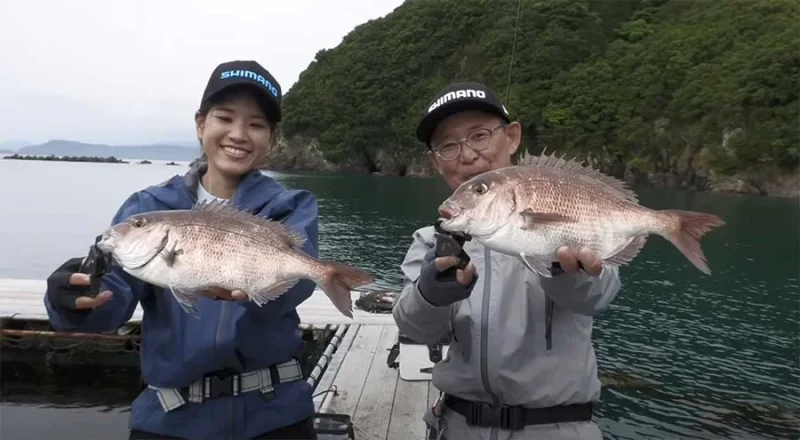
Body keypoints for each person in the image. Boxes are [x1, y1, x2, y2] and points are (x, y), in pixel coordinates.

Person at [44, 60, 320, 440]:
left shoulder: (291, 206)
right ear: (200, 123)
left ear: (271, 138)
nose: (238, 134)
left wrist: (258, 292)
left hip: (275, 417)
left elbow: (298, 287)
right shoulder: (147, 207)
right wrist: (73, 298)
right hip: (170, 422)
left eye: (256, 124)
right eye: (225, 117)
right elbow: (112, 300)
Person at [392, 81, 622, 440]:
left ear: (512, 137)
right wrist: (429, 295)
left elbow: (599, 296)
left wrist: (563, 269)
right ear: (434, 161)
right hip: (458, 426)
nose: (467, 155)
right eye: (448, 146)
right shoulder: (431, 242)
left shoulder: (566, 218)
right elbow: (415, 329)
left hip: (558, 429)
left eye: (480, 136)